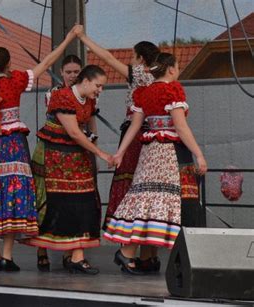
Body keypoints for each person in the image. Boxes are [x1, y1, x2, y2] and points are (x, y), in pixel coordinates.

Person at [0, 25, 83, 272]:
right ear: (8, 64)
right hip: (13, 147)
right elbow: (47, 61)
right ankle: (6, 255)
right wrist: (69, 37)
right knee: (11, 199)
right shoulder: (16, 80)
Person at [104, 53, 208, 274]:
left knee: (147, 200)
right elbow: (180, 127)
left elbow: (134, 127)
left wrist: (120, 153)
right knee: (164, 201)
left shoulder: (145, 93)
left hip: (149, 153)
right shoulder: (173, 90)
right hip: (168, 154)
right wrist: (198, 153)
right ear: (171, 69)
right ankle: (149, 256)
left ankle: (131, 253)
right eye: (177, 67)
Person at [77, 33, 162, 272]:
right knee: (148, 192)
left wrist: (83, 37)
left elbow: (105, 56)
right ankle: (147, 254)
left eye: (134, 57)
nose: (131, 61)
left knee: (132, 190)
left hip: (136, 138)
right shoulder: (160, 79)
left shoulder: (140, 74)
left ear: (141, 59)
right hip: (154, 137)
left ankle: (127, 250)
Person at [24, 65, 111, 275]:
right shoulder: (61, 97)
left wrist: (94, 154)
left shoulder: (89, 101)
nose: (100, 90)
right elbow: (73, 131)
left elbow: (88, 130)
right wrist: (101, 154)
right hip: (54, 155)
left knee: (85, 200)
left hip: (76, 156)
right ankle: (44, 250)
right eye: (98, 85)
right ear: (87, 81)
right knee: (53, 202)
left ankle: (76, 255)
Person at [34, 54, 83, 271]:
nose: (73, 75)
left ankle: (70, 252)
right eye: (69, 72)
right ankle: (41, 249)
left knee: (72, 202)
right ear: (61, 73)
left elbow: (90, 124)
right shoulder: (53, 93)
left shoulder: (87, 95)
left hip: (75, 152)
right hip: (51, 150)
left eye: (76, 72)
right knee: (46, 200)